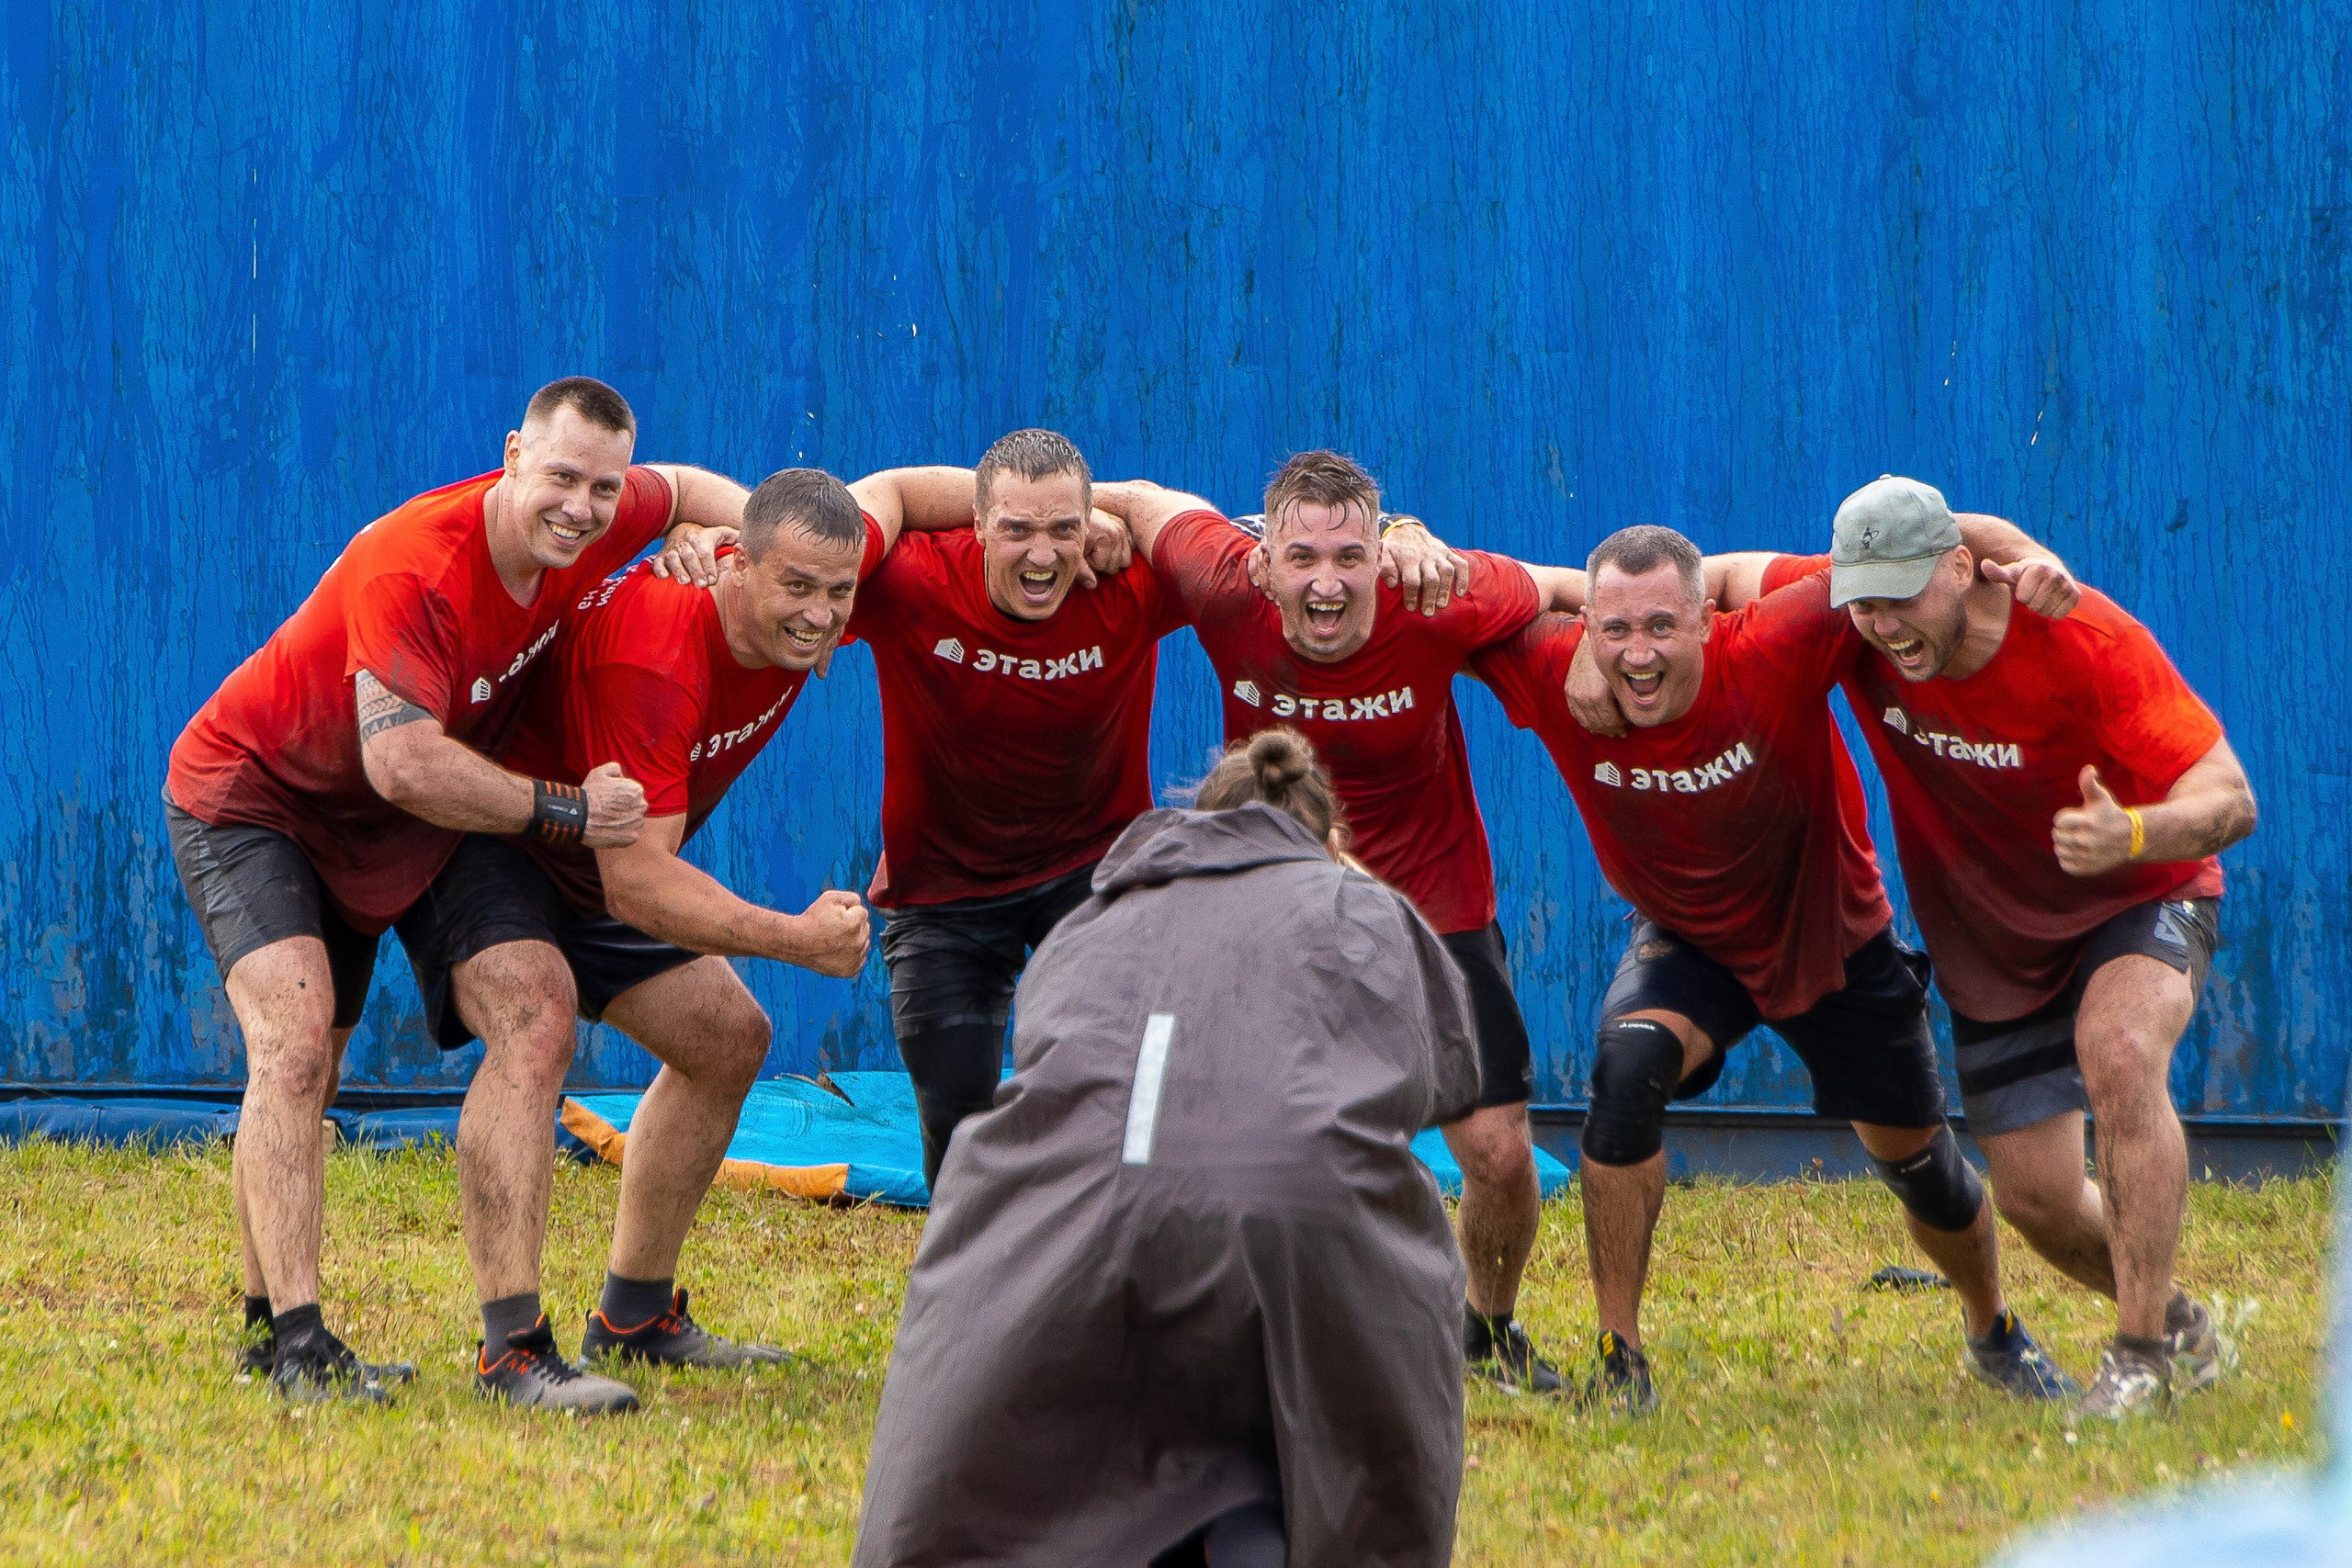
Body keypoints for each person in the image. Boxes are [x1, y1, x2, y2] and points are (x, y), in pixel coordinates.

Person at [164, 377, 739, 1401]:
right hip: (261, 798)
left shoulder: (599, 519)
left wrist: (721, 538)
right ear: (511, 454)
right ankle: (292, 1343)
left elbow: (690, 484)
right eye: (561, 478)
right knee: (295, 1046)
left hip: (404, 824)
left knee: (356, 1058)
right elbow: (403, 765)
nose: (581, 508)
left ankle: (354, 1339)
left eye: (604, 489)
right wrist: (569, 810)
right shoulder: (418, 563)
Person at [1474, 523, 2069, 1412]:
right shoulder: (1549, 667)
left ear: (1705, 621)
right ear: (1587, 627)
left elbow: (1924, 535)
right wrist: (1398, 536)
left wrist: (2032, 560)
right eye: (1617, 630)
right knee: (1627, 1068)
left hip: (1833, 938)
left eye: (1661, 628)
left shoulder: (1776, 643)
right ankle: (1619, 1357)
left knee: (1923, 1170)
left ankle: (1994, 1330)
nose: (1639, 654)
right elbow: (1438, 590)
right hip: (1688, 941)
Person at [851, 728, 1480, 1568]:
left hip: (1067, 1219)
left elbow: (1046, 1044)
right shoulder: (1363, 907)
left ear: (1197, 823)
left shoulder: (1095, 916)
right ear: (1329, 841)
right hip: (1293, 1220)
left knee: (1066, 1420)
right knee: (1363, 1346)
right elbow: (1445, 1074)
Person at [1729, 476, 2259, 1417]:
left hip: (2137, 890)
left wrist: (2133, 833)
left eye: (1902, 598)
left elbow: (2231, 799)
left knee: (2119, 1049)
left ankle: (2138, 1358)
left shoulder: (2082, 638)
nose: (1884, 626)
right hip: (1994, 943)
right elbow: (1707, 576)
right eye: (1865, 604)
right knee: (2036, 1200)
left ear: (1959, 569)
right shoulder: (1856, 615)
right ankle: (2179, 1322)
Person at [842, 434, 1463, 1191]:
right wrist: (713, 549)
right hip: (942, 890)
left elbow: (1268, 545)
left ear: (1089, 523)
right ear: (976, 525)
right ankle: (969, 1254)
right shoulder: (912, 579)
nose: (1042, 554)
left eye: (1063, 528)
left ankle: (1111, 1242)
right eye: (1017, 529)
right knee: (957, 1117)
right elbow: (802, 549)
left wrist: (1399, 530)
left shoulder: (1132, 578)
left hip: (1093, 876)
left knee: (1114, 1097)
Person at [392, 468, 879, 1411]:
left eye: (838, 591)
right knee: (536, 1024)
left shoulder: (801, 592)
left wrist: (1106, 525)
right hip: (493, 836)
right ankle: (511, 1352)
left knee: (727, 1039)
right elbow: (639, 884)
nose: (820, 615)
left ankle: (635, 1317)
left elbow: (914, 504)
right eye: (797, 587)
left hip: (600, 855)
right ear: (737, 564)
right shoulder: (657, 654)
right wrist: (795, 939)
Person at [1097, 454, 1580, 1396]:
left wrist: (1644, 641)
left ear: (1379, 560)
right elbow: (1146, 499)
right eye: (1304, 558)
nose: (1327, 581)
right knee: (1240, 1138)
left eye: (1350, 556)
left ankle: (1486, 1330)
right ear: (1262, 562)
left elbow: (1566, 588)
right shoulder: (1218, 580)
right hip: (1278, 901)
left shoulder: (1439, 596)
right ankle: (1234, 1330)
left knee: (1497, 1153)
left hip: (1433, 909)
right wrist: (1093, 521)